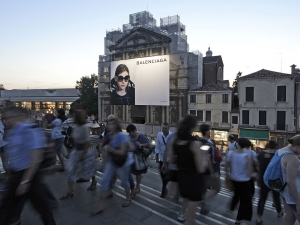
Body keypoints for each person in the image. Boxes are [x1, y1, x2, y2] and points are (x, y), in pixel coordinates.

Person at [0, 106, 56, 225]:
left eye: (9, 117)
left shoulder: (29, 130)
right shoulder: (14, 131)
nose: (7, 120)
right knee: (9, 206)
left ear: (18, 117)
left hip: (28, 174)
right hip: (18, 174)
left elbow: (36, 157)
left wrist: (25, 181)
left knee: (41, 207)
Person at [169, 115, 209, 225]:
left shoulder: (175, 141)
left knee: (191, 219)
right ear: (192, 128)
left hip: (182, 180)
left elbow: (171, 159)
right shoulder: (195, 144)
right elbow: (201, 169)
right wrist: (205, 155)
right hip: (194, 183)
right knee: (190, 219)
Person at [94, 117, 133, 213]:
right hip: (112, 161)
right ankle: (101, 205)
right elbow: (106, 148)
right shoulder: (110, 135)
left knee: (124, 182)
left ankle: (128, 197)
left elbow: (122, 152)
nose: (109, 125)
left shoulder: (121, 136)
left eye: (111, 124)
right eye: (108, 123)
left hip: (122, 163)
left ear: (116, 125)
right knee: (104, 180)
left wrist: (110, 149)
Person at [60, 110, 98, 199]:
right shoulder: (76, 126)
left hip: (84, 152)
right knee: (69, 169)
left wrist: (82, 154)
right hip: (76, 151)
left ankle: (94, 181)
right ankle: (69, 190)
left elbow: (88, 142)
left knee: (89, 168)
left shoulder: (84, 127)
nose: (72, 118)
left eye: (74, 116)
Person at [226, 138, 255, 225]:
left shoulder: (230, 153)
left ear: (237, 144)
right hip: (244, 181)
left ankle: (231, 207)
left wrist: (228, 175)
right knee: (245, 201)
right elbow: (250, 172)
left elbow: (227, 165)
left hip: (234, 179)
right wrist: (255, 175)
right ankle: (238, 219)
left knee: (236, 194)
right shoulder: (247, 156)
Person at [256, 140, 283, 224]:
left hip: (263, 179)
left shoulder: (261, 154)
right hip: (274, 180)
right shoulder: (277, 154)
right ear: (275, 146)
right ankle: (279, 212)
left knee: (262, 199)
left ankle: (259, 218)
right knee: (276, 197)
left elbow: (258, 166)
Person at [279, 135, 300, 224]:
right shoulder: (292, 157)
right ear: (298, 146)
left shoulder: (281, 151)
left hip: (285, 192)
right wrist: (298, 203)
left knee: (289, 219)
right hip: (295, 195)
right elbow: (290, 181)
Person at [126, 124, 150, 198]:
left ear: (134, 131)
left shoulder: (140, 136)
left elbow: (148, 144)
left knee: (137, 173)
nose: (130, 134)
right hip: (131, 157)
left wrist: (140, 145)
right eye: (129, 132)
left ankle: (137, 186)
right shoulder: (129, 137)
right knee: (130, 172)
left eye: (130, 132)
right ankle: (136, 184)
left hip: (138, 158)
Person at [155, 122, 172, 198]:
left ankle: (163, 191)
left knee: (167, 175)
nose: (164, 130)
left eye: (166, 128)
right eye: (163, 128)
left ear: (169, 128)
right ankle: (165, 188)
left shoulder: (172, 136)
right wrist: (156, 157)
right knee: (162, 175)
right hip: (162, 158)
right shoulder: (159, 135)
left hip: (169, 159)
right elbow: (157, 146)